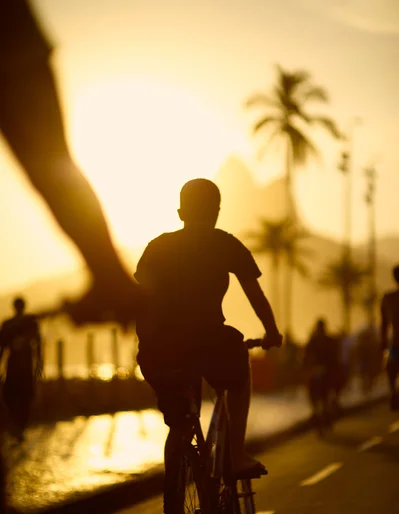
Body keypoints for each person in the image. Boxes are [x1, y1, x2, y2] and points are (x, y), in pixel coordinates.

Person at [0, 0, 141, 326]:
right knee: (49, 169)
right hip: (16, 51)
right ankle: (110, 279)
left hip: (13, 52)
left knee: (49, 168)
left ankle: (112, 280)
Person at [135, 178, 283, 479]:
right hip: (208, 341)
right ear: (217, 211)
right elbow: (255, 295)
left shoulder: (156, 246)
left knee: (178, 422)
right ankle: (236, 455)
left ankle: (175, 486)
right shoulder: (225, 243)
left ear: (180, 213)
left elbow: (141, 296)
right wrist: (272, 333)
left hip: (157, 350)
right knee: (239, 366)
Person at [0, 297, 42, 442]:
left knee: (21, 397)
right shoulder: (17, 323)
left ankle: (19, 427)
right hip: (18, 365)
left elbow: (38, 342)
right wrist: (39, 362)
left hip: (21, 364)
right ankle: (19, 427)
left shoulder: (23, 323)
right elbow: (3, 346)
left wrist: (39, 362)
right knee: (15, 396)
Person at [303, 318, 337, 431]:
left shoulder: (316, 340)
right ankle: (320, 416)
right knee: (320, 396)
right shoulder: (325, 340)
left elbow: (305, 357)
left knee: (320, 397)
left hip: (323, 373)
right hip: (319, 373)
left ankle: (320, 416)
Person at [380, 264, 399, 410]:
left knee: (390, 369)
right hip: (394, 345)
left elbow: (384, 325)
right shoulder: (388, 298)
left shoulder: (388, 298)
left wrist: (383, 344)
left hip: (395, 344)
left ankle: (393, 391)